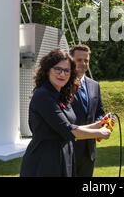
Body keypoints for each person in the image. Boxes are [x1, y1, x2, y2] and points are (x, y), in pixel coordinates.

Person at [20, 49, 111, 177]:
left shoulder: (61, 95)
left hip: (64, 157)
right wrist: (99, 133)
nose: (62, 74)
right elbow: (68, 130)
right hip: (44, 162)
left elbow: (72, 126)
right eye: (58, 69)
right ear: (47, 70)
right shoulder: (43, 96)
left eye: (67, 70)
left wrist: (97, 125)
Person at [70, 45, 106, 177]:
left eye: (86, 60)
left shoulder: (94, 85)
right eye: (79, 60)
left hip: (89, 151)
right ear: (71, 60)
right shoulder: (62, 84)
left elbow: (99, 112)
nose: (83, 63)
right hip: (69, 149)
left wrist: (102, 123)